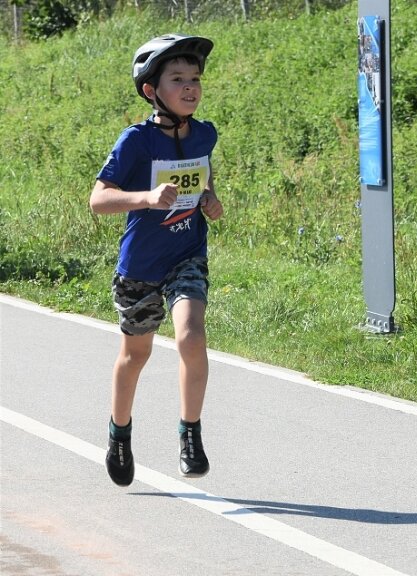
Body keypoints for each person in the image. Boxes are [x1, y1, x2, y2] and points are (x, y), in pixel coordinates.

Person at [90, 34, 223, 487]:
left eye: (195, 79)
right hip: (141, 266)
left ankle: (190, 434)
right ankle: (120, 434)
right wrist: (145, 197)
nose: (190, 88)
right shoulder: (136, 141)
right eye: (178, 79)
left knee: (191, 335)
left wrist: (210, 199)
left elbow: (204, 177)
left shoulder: (205, 132)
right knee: (136, 354)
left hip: (186, 254)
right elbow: (98, 199)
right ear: (151, 90)